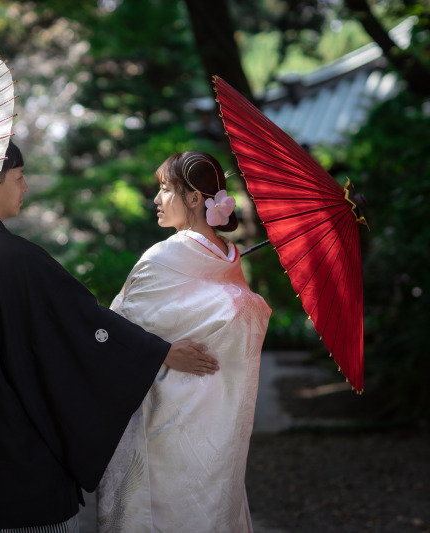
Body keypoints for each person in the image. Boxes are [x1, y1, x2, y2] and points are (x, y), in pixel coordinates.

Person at [0, 141, 220, 532]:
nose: (25, 186)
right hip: (20, 468)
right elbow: (81, 328)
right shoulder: (16, 259)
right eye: (18, 177)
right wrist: (157, 352)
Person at [96, 151, 271, 533]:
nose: (156, 200)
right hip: (215, 419)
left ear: (194, 198)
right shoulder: (227, 255)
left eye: (164, 189)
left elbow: (116, 329)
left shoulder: (166, 256)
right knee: (209, 507)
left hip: (169, 422)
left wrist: (159, 350)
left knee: (165, 512)